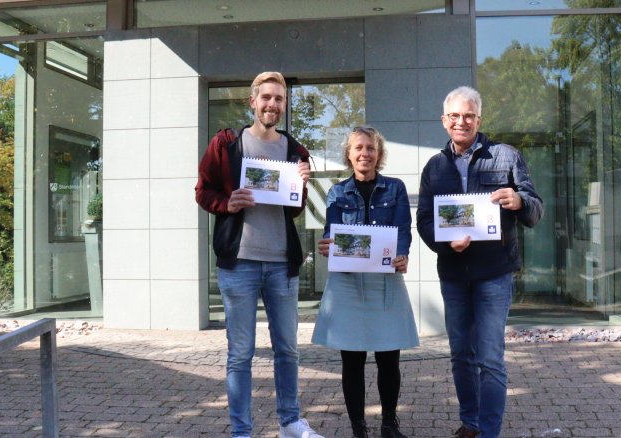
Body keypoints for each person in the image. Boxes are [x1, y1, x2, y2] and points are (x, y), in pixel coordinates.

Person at [195, 71, 324, 438]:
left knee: (288, 351)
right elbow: (203, 191)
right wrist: (227, 202)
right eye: (266, 97)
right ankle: (241, 432)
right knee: (241, 355)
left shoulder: (296, 151)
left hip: (283, 265)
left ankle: (290, 423)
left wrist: (302, 184)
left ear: (284, 105)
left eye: (279, 99)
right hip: (240, 264)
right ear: (252, 101)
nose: (272, 104)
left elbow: (294, 209)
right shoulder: (226, 144)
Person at [416, 86, 544, 438]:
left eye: (468, 115)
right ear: (444, 121)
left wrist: (518, 200)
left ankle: (489, 432)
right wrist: (445, 243)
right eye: (455, 116)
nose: (462, 121)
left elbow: (536, 209)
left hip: (494, 274)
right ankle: (470, 422)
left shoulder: (506, 156)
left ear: (479, 119)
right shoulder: (434, 167)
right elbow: (425, 221)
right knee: (460, 356)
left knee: (489, 358)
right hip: (454, 274)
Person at [312, 126, 418, 438]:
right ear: (349, 154)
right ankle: (359, 428)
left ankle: (388, 423)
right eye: (358, 148)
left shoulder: (395, 188)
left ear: (379, 154)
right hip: (347, 284)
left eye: (370, 148)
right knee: (352, 358)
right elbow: (331, 232)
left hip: (385, 282)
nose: (364, 153)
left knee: (389, 357)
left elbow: (403, 230)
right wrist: (326, 244)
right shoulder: (336, 192)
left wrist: (402, 255)